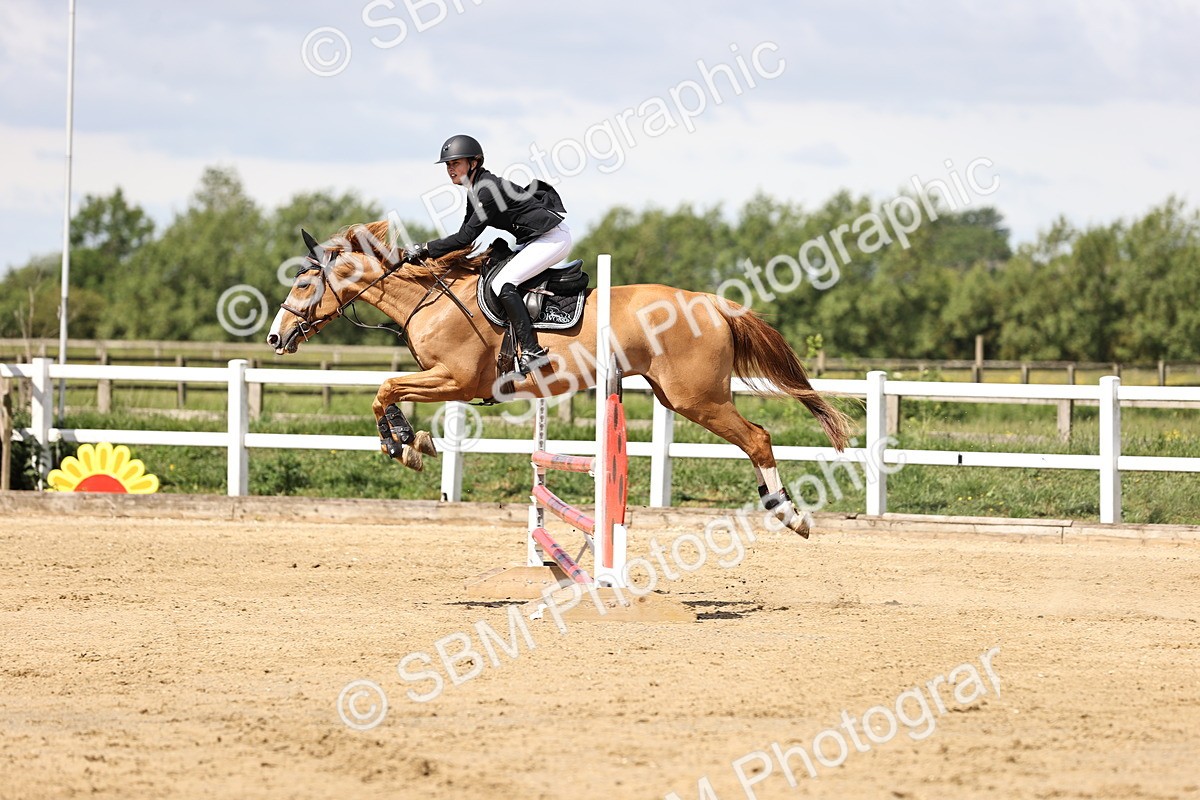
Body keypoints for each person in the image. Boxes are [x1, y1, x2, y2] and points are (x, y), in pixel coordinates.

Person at [404, 135, 570, 376]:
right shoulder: (477, 189)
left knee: (504, 282)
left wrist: (426, 248)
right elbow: (464, 234)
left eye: (456, 163)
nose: (451, 169)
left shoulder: (485, 192)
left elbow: (464, 239)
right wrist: (430, 255)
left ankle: (532, 350)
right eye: (448, 165)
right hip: (536, 239)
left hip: (552, 238)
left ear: (474, 163)